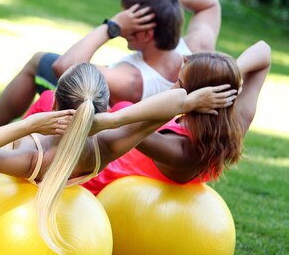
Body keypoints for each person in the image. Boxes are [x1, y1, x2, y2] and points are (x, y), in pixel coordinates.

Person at [0, 62, 234, 249]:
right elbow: (167, 105)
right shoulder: (106, 146)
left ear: (55, 103)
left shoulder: (35, 153)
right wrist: (114, 120)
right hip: (39, 193)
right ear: (101, 109)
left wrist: (27, 125)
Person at [0, 0, 221, 127]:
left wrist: (112, 27)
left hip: (98, 133)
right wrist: (161, 0)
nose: (124, 21)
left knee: (39, 62)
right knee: (42, 62)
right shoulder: (196, 48)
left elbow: (66, 67)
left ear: (147, 33)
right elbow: (210, 1)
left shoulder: (131, 80)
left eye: (129, 18)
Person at [81, 41, 272, 194]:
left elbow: (112, 124)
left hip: (92, 184)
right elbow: (264, 50)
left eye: (179, 82)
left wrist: (185, 102)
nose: (173, 85)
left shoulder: (181, 151)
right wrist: (227, 72)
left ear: (194, 95)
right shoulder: (236, 123)